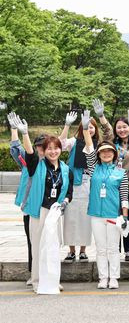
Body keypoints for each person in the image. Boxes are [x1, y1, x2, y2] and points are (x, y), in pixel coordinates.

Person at [13, 114, 73, 293]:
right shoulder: (36, 165)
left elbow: (69, 192)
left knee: (53, 247)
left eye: (56, 148)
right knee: (38, 246)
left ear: (60, 150)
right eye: (49, 149)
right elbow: (30, 154)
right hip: (39, 211)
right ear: (44, 151)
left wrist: (65, 202)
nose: (53, 151)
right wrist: (24, 134)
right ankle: (37, 279)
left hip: (55, 212)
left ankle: (53, 278)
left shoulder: (65, 169)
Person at [80, 110, 129, 289]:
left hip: (113, 215)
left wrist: (124, 216)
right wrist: (86, 128)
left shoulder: (121, 172)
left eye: (109, 151)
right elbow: (89, 148)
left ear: (114, 154)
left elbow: (124, 195)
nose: (106, 154)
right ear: (99, 155)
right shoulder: (94, 168)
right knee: (100, 248)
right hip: (96, 213)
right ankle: (103, 277)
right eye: (103, 152)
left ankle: (114, 277)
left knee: (112, 247)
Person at [59, 99, 112, 263]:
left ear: (94, 129)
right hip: (73, 183)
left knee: (85, 218)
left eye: (91, 126)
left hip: (90, 184)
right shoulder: (75, 142)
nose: (88, 129)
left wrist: (101, 116)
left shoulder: (99, 145)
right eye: (85, 126)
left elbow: (109, 133)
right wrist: (67, 125)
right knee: (70, 217)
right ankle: (71, 250)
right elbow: (60, 144)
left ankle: (83, 250)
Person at [8, 112, 46, 286]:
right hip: (30, 208)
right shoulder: (28, 162)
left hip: (48, 207)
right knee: (32, 241)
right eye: (39, 146)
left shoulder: (54, 163)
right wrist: (15, 130)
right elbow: (16, 150)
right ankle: (34, 273)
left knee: (48, 242)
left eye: (44, 146)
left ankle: (47, 273)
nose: (41, 149)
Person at [112, 115, 129, 262]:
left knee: (128, 216)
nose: (122, 130)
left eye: (125, 126)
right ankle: (114, 247)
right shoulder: (112, 144)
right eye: (119, 127)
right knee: (113, 216)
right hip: (112, 187)